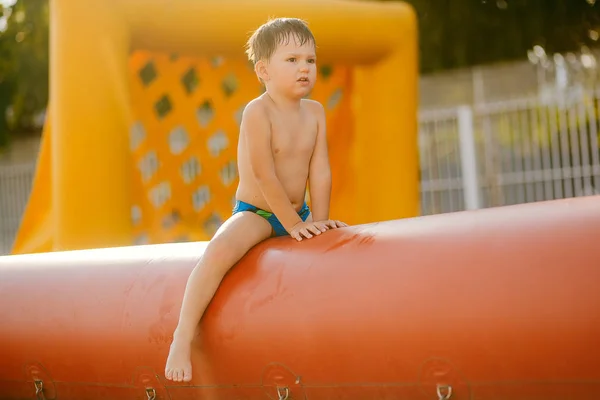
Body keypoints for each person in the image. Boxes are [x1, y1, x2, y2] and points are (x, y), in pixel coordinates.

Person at [164, 17, 348, 383]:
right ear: (263, 70)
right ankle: (181, 336)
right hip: (258, 212)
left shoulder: (315, 113)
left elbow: (321, 170)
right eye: (292, 60)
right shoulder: (257, 112)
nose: (304, 68)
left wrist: (319, 222)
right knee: (217, 252)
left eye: (310, 60)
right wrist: (294, 225)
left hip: (300, 212)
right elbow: (264, 175)